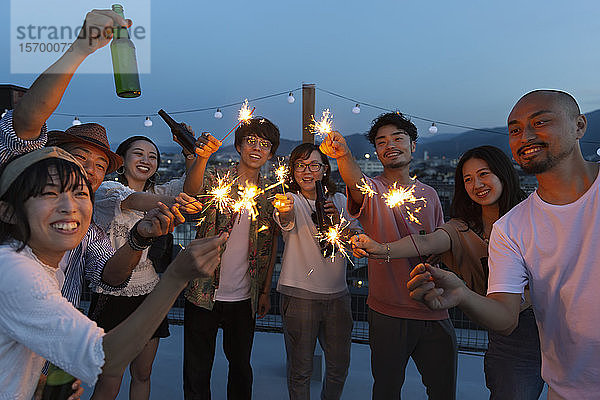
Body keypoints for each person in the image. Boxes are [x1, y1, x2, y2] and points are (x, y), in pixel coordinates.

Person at [408, 90, 600, 399]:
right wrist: (463, 294)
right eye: (515, 130)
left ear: (579, 126)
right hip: (568, 387)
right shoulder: (511, 228)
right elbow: (505, 316)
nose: (526, 135)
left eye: (541, 122)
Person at [0, 147, 227, 400]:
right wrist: (176, 276)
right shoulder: (15, 271)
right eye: (50, 193)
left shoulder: (43, 261)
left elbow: (111, 274)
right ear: (7, 211)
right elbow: (105, 358)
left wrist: (33, 384)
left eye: (80, 193)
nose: (69, 207)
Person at [352, 145, 544, 399]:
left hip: (559, 323)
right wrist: (381, 248)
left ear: (503, 173)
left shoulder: (533, 214)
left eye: (484, 174)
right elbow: (425, 242)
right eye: (468, 179)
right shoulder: (461, 229)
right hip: (510, 332)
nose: (477, 184)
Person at [320, 112, 456, 399]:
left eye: (398, 138)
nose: (390, 145)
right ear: (376, 151)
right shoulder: (374, 189)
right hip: (388, 311)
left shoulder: (430, 194)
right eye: (381, 142)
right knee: (386, 389)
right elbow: (356, 182)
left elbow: (439, 243)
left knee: (443, 389)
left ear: (413, 145)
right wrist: (343, 154)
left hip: (435, 306)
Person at [88, 135, 202, 399]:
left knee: (143, 373)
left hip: (149, 291)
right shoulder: (106, 191)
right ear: (122, 160)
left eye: (152, 156)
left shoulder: (157, 193)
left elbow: (190, 189)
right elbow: (134, 200)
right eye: (138, 154)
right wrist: (178, 203)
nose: (146, 160)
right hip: (112, 293)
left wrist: (198, 157)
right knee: (110, 376)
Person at [182, 117, 280, 399]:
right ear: (238, 146)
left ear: (271, 153)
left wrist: (264, 290)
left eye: (265, 144)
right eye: (251, 141)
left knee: (240, 368)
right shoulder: (217, 178)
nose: (257, 148)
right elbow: (192, 192)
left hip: (244, 296)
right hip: (203, 291)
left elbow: (271, 241)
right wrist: (201, 158)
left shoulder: (272, 193)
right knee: (196, 369)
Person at [272, 143, 360, 399]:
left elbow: (355, 239)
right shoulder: (291, 200)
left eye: (314, 165)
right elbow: (285, 221)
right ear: (292, 171)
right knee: (300, 370)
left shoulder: (341, 200)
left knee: (339, 367)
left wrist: (337, 222)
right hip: (300, 294)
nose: (307, 171)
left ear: (324, 170)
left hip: (338, 295)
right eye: (300, 165)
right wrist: (284, 210)